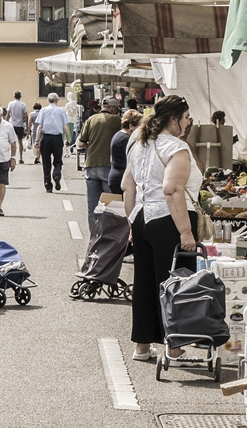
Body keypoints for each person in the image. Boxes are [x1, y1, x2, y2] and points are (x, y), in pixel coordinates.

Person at [126, 94, 202, 362]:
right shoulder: (176, 148)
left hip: (142, 216)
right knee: (175, 283)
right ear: (174, 120)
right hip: (170, 219)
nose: (188, 122)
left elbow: (127, 186)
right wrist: (186, 232)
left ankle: (142, 346)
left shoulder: (139, 144)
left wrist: (132, 223)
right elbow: (172, 189)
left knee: (145, 283)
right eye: (186, 117)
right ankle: (175, 347)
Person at [78, 97, 122, 219]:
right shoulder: (117, 120)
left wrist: (92, 145)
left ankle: (93, 230)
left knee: (92, 205)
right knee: (109, 205)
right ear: (113, 109)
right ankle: (107, 230)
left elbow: (81, 143)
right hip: (108, 165)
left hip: (90, 165)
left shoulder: (91, 119)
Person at [34, 92, 70, 193]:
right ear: (57, 100)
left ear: (47, 100)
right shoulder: (61, 111)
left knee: (46, 162)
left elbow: (40, 126)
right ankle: (56, 174)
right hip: (57, 138)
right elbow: (65, 127)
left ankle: (48, 185)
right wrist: (68, 139)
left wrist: (37, 140)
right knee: (58, 160)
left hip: (46, 137)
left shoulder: (43, 110)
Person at [6, 91, 30, 165]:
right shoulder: (23, 104)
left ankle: (10, 157)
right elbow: (26, 116)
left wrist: (5, 123)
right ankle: (20, 158)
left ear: (14, 96)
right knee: (20, 141)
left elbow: (8, 114)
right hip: (20, 125)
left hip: (12, 124)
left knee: (11, 142)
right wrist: (27, 126)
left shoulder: (11, 103)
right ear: (20, 96)